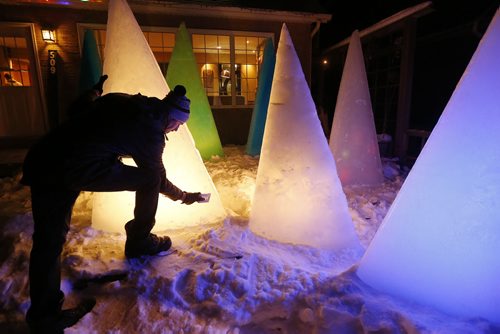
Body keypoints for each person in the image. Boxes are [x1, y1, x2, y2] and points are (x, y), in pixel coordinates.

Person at [21, 77, 206, 333]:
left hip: (44, 158)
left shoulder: (123, 100)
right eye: (178, 126)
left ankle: (44, 314)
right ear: (173, 119)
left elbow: (78, 108)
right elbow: (158, 179)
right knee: (150, 178)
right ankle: (140, 240)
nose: (175, 130)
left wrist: (94, 90)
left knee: (47, 241)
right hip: (70, 169)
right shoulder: (151, 133)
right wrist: (185, 196)